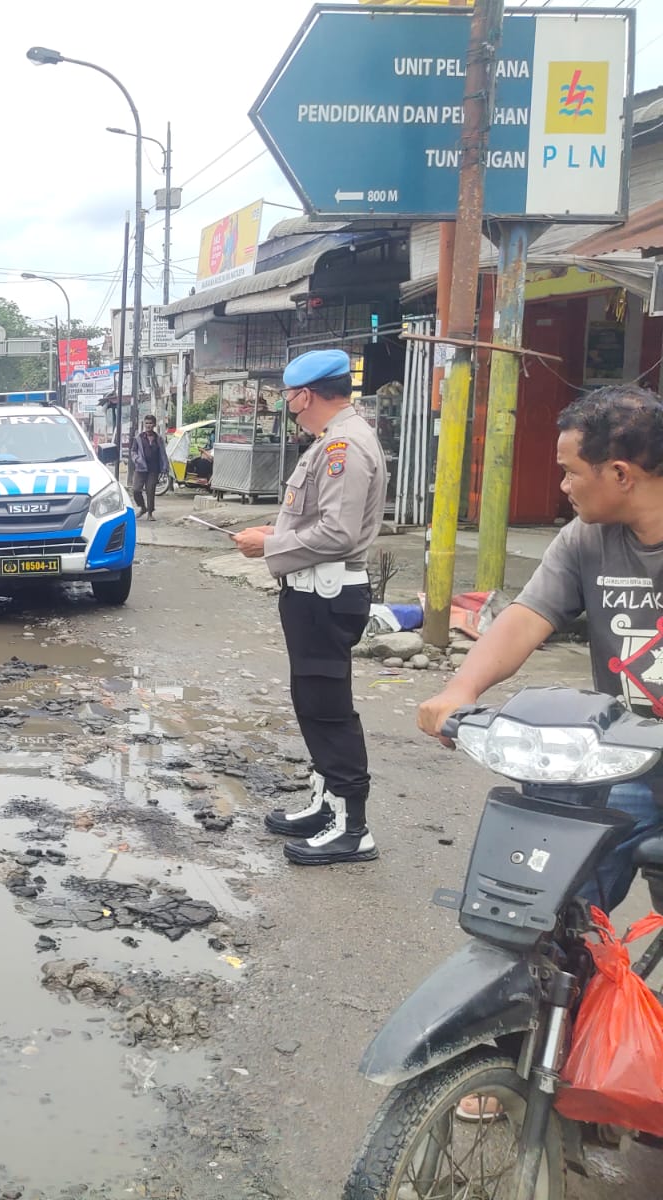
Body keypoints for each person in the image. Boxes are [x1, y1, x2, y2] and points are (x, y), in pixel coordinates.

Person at [419, 383, 663, 910]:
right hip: (626, 757)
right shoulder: (586, 537)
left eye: (572, 471)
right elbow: (527, 617)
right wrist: (460, 689)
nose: (563, 485)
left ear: (620, 474)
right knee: (553, 906)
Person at [234, 349, 387, 866]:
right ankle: (329, 807)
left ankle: (352, 828)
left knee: (327, 708)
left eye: (289, 396)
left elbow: (338, 532)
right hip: (312, 591)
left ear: (304, 394)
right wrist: (274, 536)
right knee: (314, 704)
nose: (288, 405)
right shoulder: (332, 440)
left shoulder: (342, 444)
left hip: (326, 594)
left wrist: (269, 546)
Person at [130, 414, 169, 519]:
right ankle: (143, 507)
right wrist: (137, 459)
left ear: (154, 424)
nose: (148, 425)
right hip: (140, 468)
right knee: (136, 490)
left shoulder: (158, 439)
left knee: (150, 490)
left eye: (150, 423)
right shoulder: (138, 438)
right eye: (147, 423)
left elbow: (163, 454)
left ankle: (150, 513)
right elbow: (133, 451)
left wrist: (165, 467)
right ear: (144, 424)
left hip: (153, 469)